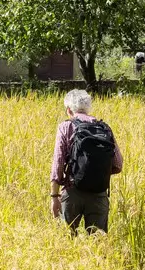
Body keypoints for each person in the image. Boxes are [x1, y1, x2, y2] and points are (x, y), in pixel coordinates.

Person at [49, 88, 124, 233]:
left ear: (69, 110)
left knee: (67, 242)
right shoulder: (104, 128)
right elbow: (118, 164)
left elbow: (57, 164)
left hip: (72, 192)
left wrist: (54, 196)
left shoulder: (66, 127)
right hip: (99, 193)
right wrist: (97, 173)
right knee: (98, 244)